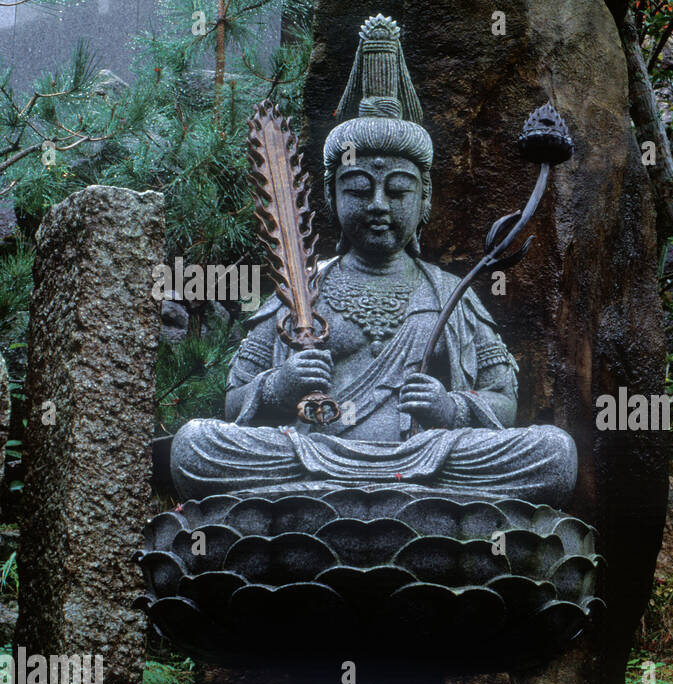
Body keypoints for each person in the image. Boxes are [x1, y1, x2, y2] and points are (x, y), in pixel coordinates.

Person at [171, 14, 576, 504]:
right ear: (329, 197)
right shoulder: (295, 287)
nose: (379, 204)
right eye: (359, 188)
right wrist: (280, 386)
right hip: (311, 456)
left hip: (425, 460)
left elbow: (502, 400)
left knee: (553, 452)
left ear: (425, 199)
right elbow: (233, 400)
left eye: (400, 189)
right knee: (196, 445)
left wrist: (450, 408)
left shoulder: (449, 292)